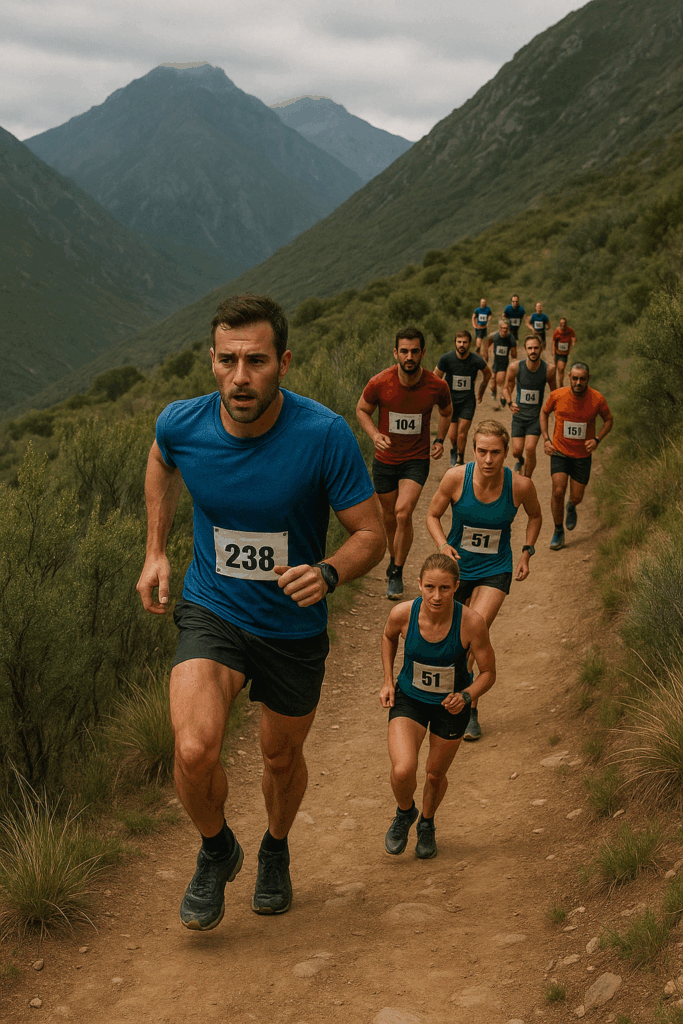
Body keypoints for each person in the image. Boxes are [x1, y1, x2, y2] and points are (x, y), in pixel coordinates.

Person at [136, 294, 385, 931]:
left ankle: (275, 846)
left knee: (279, 758)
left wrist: (328, 572)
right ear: (212, 361)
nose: (240, 376)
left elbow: (371, 533)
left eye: (256, 360)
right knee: (194, 750)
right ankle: (218, 847)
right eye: (227, 360)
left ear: (284, 363)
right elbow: (161, 458)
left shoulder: (324, 435)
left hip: (291, 627)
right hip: (213, 608)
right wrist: (157, 551)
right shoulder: (183, 424)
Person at [426, 421, 542, 740]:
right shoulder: (455, 478)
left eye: (495, 452)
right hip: (458, 568)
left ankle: (470, 708)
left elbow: (535, 515)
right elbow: (432, 515)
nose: (488, 459)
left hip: (496, 568)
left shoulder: (520, 485)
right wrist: (442, 545)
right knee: (447, 638)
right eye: (482, 451)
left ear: (506, 453)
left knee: (475, 628)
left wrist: (526, 552)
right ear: (473, 450)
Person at [379, 553, 495, 859]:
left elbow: (488, 673)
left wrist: (467, 696)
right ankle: (406, 812)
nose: (436, 595)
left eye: (444, 588)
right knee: (403, 770)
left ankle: (427, 823)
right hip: (410, 700)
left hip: (451, 708)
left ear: (456, 587)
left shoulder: (472, 623)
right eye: (430, 587)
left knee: (433, 775)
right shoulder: (402, 614)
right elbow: (389, 638)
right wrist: (388, 681)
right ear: (418, 584)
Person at [357, 327, 452, 600]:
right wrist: (375, 435)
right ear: (396, 353)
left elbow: (446, 411)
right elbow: (361, 410)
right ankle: (394, 557)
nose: (409, 356)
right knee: (388, 518)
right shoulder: (380, 382)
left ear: (423, 353)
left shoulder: (436, 385)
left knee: (402, 513)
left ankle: (396, 571)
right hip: (385, 460)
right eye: (404, 351)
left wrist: (440, 439)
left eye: (414, 351)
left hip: (416, 459)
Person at [540, 361, 613, 551]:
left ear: (588, 379)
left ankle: (571, 506)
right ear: (569, 378)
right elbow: (544, 412)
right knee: (558, 490)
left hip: (582, 456)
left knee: (577, 496)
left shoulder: (597, 399)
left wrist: (597, 439)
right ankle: (558, 531)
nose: (578, 382)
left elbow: (608, 421)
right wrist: (546, 439)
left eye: (582, 379)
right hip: (560, 451)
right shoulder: (557, 396)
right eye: (575, 378)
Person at [434, 329, 491, 468]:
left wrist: (481, 391)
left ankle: (460, 459)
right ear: (455, 343)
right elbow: (435, 377)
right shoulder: (446, 359)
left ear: (469, 344)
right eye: (459, 342)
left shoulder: (476, 360)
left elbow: (487, 374)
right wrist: (438, 397)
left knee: (461, 433)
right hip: (451, 402)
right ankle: (454, 449)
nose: (461, 345)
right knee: (452, 436)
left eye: (465, 342)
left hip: (467, 401)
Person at [503, 335, 557, 478]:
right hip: (519, 416)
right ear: (525, 350)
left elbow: (555, 393)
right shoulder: (515, 367)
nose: (533, 351)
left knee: (530, 448)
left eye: (536, 348)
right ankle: (520, 461)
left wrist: (553, 410)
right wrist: (509, 403)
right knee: (516, 451)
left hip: (536, 417)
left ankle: (527, 479)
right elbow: (506, 388)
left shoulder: (549, 369)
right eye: (530, 348)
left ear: (541, 349)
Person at [483, 319, 517, 409]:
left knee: (500, 380)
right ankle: (494, 394)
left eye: (506, 328)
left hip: (504, 363)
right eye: (503, 328)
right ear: (500, 328)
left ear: (508, 329)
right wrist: (485, 354)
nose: (504, 330)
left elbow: (514, 354)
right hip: (495, 362)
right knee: (492, 384)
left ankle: (503, 397)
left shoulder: (511, 338)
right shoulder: (494, 336)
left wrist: (513, 351)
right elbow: (487, 343)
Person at [552, 317, 578, 386]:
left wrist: (573, 342)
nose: (563, 325)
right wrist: (553, 352)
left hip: (563, 355)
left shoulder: (570, 330)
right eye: (561, 323)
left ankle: (561, 385)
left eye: (564, 323)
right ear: (559, 324)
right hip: (557, 352)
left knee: (561, 369)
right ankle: (556, 384)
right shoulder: (557, 331)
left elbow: (574, 337)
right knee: (556, 370)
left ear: (566, 324)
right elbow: (554, 342)